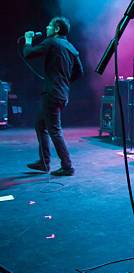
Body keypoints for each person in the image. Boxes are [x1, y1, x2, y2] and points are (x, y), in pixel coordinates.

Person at [23, 16, 83, 176]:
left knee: (54, 130)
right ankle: (44, 162)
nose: (46, 28)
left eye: (49, 26)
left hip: (51, 93)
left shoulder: (52, 42)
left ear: (57, 29)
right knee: (40, 125)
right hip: (62, 93)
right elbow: (79, 72)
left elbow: (29, 53)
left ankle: (67, 166)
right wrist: (64, 80)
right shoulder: (70, 47)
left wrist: (28, 39)